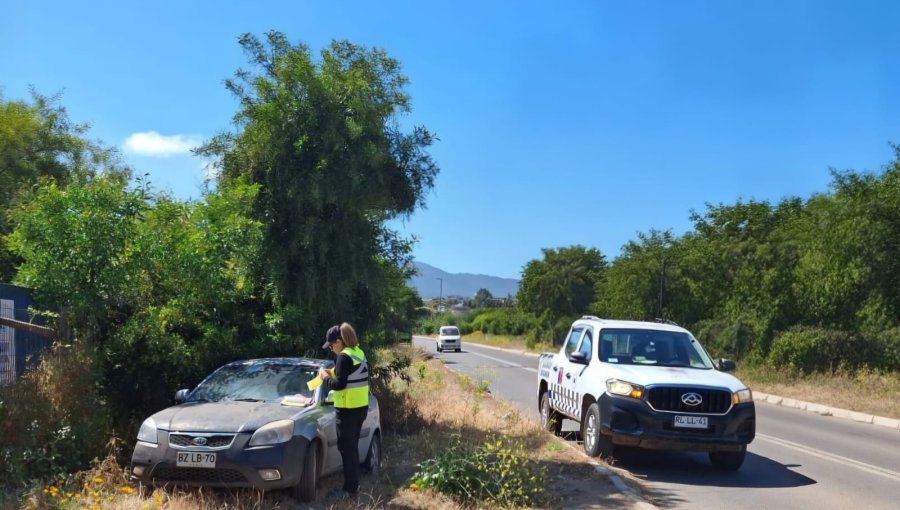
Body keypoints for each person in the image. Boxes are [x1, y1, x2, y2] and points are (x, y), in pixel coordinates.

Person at [319, 322, 369, 497]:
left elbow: (339, 385)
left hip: (347, 410)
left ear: (340, 341)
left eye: (332, 345)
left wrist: (325, 377)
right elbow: (350, 374)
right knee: (352, 447)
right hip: (360, 408)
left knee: (346, 450)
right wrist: (333, 372)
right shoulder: (358, 353)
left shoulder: (343, 357)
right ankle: (353, 486)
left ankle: (349, 490)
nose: (331, 349)